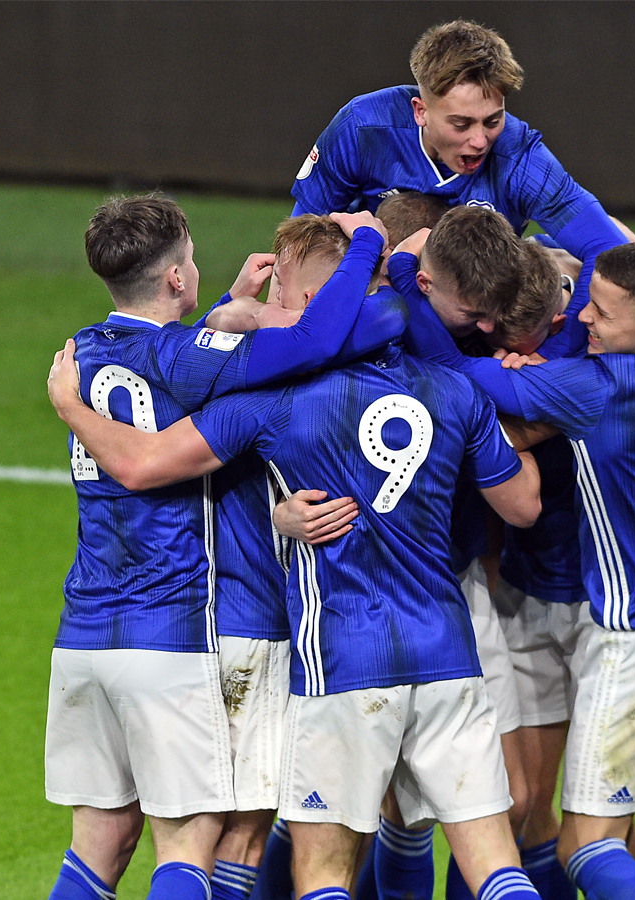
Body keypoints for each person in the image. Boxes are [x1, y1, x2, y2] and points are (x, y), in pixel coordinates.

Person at [44, 233, 550, 899]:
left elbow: (144, 463)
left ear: (314, 302)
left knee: (318, 873)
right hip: (447, 655)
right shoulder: (454, 392)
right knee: (495, 867)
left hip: (341, 661)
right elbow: (522, 505)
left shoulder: (270, 403)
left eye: (283, 292)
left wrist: (72, 407)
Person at [42, 194, 391, 900]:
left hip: (83, 634)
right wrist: (375, 251)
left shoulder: (81, 353)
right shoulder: (186, 359)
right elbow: (318, 342)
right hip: (171, 631)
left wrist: (226, 310)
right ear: (175, 277)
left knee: (101, 844)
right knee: (197, 842)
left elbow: (172, 380)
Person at [398, 239, 635, 899]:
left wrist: (402, 275)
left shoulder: (597, 388)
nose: (584, 317)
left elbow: (455, 369)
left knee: (587, 847)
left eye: (602, 309)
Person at [290, 20, 629, 267]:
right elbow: (299, 241)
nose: (480, 140)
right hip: (375, 284)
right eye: (461, 123)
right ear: (420, 111)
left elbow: (609, 250)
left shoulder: (523, 158)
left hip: (482, 307)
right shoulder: (363, 128)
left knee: (561, 268)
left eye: (493, 120)